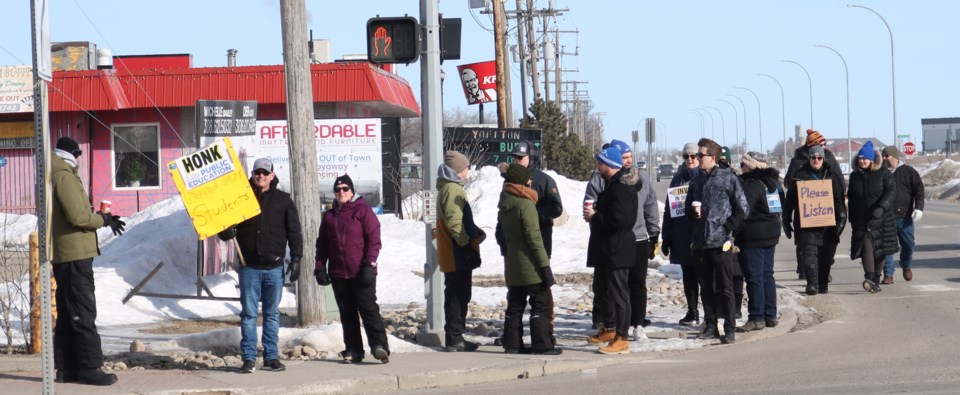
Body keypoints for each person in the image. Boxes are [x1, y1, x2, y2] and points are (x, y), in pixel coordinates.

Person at [51, 137, 125, 386]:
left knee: (68, 312)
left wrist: (103, 219)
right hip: (75, 254)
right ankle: (89, 367)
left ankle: (67, 368)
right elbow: (79, 217)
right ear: (71, 154)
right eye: (78, 154)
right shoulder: (65, 176)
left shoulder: (57, 172)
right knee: (82, 311)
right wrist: (103, 220)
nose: (80, 159)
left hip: (67, 253)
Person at [219, 158, 303, 373]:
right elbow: (225, 228)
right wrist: (226, 232)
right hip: (249, 268)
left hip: (274, 268)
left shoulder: (283, 200)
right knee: (248, 314)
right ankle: (248, 358)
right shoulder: (241, 199)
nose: (261, 176)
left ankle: (271, 357)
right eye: (258, 172)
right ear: (253, 174)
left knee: (272, 314)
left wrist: (296, 259)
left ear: (272, 176)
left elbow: (294, 232)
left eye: (265, 173)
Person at [315, 175, 390, 364]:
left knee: (368, 309)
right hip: (339, 273)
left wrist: (369, 263)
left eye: (345, 189)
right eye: (338, 189)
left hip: (361, 271)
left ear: (352, 191)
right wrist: (319, 267)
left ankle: (379, 346)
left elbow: (374, 239)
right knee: (347, 313)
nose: (341, 192)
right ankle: (354, 349)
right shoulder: (330, 216)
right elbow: (322, 244)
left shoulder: (363, 211)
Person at [685, 138, 748, 344]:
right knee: (706, 287)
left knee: (725, 287)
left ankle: (729, 328)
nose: (697, 158)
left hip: (721, 242)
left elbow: (743, 208)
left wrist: (728, 227)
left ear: (712, 157)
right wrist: (693, 217)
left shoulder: (728, 178)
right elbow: (687, 209)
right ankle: (711, 324)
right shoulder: (696, 181)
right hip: (701, 242)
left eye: (701, 155)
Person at [499, 141, 563, 342]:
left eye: (521, 157)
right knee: (515, 291)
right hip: (515, 246)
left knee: (541, 290)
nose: (517, 160)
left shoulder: (544, 180)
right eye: (515, 157)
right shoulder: (510, 180)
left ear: (531, 158)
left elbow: (556, 208)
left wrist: (536, 215)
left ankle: (547, 332)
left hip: (539, 241)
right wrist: (502, 241)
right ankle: (512, 335)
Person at [584, 145, 638, 354]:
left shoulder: (622, 187)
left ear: (609, 164)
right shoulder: (610, 184)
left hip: (618, 249)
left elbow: (622, 220)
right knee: (602, 291)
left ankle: (622, 337)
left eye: (600, 163)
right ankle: (609, 328)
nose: (597, 166)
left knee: (619, 294)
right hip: (605, 249)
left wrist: (596, 216)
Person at [609, 140, 660, 340]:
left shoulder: (642, 178)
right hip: (619, 239)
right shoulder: (611, 179)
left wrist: (654, 233)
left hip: (639, 238)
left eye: (630, 157)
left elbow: (650, 205)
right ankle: (619, 325)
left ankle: (638, 323)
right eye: (624, 158)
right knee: (619, 285)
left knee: (638, 283)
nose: (628, 161)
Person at [436, 150, 485, 352]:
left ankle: (455, 336)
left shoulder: (447, 188)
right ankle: (455, 337)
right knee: (459, 294)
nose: (468, 171)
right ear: (458, 170)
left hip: (451, 250)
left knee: (455, 293)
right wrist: (467, 248)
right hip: (456, 252)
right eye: (466, 168)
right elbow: (455, 222)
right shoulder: (453, 190)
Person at [782, 145, 846, 296]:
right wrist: (786, 219)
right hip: (806, 225)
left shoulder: (831, 176)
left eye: (819, 158)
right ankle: (811, 283)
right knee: (809, 254)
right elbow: (790, 200)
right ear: (809, 158)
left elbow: (838, 199)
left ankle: (822, 283)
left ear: (823, 159)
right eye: (813, 157)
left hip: (827, 226)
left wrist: (842, 216)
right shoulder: (799, 176)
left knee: (826, 256)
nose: (816, 160)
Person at [733, 152, 784, 332]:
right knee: (767, 274)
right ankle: (770, 314)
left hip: (752, 236)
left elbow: (743, 211)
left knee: (754, 277)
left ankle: (756, 317)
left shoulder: (751, 185)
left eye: (743, 164)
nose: (740, 167)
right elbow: (780, 206)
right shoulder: (773, 183)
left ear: (750, 166)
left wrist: (732, 231)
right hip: (771, 233)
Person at [848, 141, 898, 293]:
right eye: (860, 158)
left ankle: (876, 278)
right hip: (862, 219)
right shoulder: (854, 176)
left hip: (882, 218)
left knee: (881, 249)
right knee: (866, 246)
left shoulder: (883, 174)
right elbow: (851, 196)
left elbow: (891, 191)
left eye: (865, 158)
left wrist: (881, 207)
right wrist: (852, 216)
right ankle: (869, 277)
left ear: (872, 159)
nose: (862, 161)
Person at [661, 142, 702, 326]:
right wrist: (666, 235)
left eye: (693, 156)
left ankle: (710, 313)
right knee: (688, 276)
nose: (690, 160)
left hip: (701, 234)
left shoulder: (704, 176)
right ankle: (692, 311)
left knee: (705, 276)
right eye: (686, 156)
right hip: (682, 235)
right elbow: (669, 210)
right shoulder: (677, 179)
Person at [881, 146, 925, 283]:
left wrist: (918, 208)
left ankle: (906, 264)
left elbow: (919, 190)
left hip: (904, 217)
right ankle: (888, 274)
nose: (883, 158)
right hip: (886, 217)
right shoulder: (881, 173)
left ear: (894, 156)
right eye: (882, 155)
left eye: (886, 156)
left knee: (908, 244)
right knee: (887, 246)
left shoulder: (909, 172)